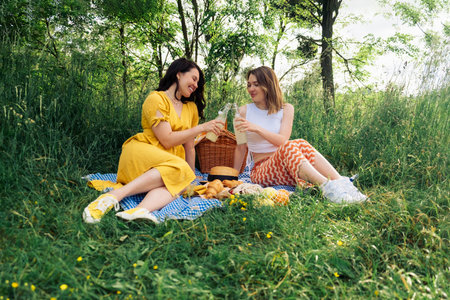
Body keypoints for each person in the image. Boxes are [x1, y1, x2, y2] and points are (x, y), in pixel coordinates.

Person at [83, 58, 225, 223]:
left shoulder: (191, 108)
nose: (195, 85)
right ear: (179, 74)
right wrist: (202, 128)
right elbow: (166, 140)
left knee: (179, 180)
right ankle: (113, 196)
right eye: (193, 78)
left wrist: (190, 176)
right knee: (178, 169)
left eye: (198, 82)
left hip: (170, 165)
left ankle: (139, 211)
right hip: (143, 153)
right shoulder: (156, 99)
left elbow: (189, 146)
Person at [233, 66, 367, 203]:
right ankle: (330, 189)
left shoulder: (286, 109)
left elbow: (282, 140)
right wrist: (233, 177)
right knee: (289, 146)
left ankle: (343, 186)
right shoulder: (242, 112)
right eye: (249, 85)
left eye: (256, 84)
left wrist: (256, 128)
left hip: (288, 165)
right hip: (262, 171)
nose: (251, 89)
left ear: (268, 84)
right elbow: (241, 148)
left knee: (299, 143)